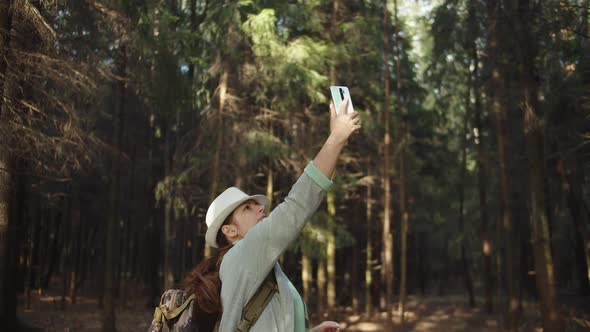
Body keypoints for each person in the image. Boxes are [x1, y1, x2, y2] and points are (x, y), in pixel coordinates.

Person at [184, 98, 360, 332]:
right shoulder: (241, 255)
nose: (260, 208)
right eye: (247, 208)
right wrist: (336, 138)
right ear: (229, 230)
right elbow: (297, 206)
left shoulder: (260, 266)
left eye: (257, 205)